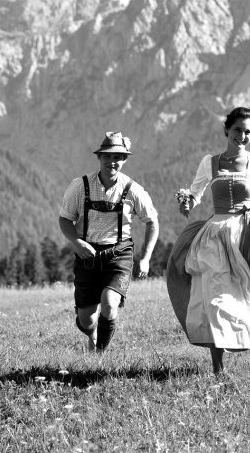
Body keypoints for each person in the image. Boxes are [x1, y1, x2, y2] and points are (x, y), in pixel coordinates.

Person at [167, 106, 250, 375]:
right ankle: (217, 367)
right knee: (214, 298)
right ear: (227, 130)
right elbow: (195, 193)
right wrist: (186, 202)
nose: (243, 136)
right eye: (238, 130)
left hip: (245, 237)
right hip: (215, 235)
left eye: (248, 132)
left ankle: (237, 341)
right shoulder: (209, 162)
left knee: (243, 299)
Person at [58, 132, 159, 352]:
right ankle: (91, 333)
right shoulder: (80, 186)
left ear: (124, 160)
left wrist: (145, 258)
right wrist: (76, 242)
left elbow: (152, 222)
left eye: (118, 157)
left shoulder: (133, 190)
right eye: (107, 156)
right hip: (87, 255)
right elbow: (65, 219)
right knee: (86, 320)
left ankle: (100, 355)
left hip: (119, 254)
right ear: (99, 157)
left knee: (109, 303)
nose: (112, 162)